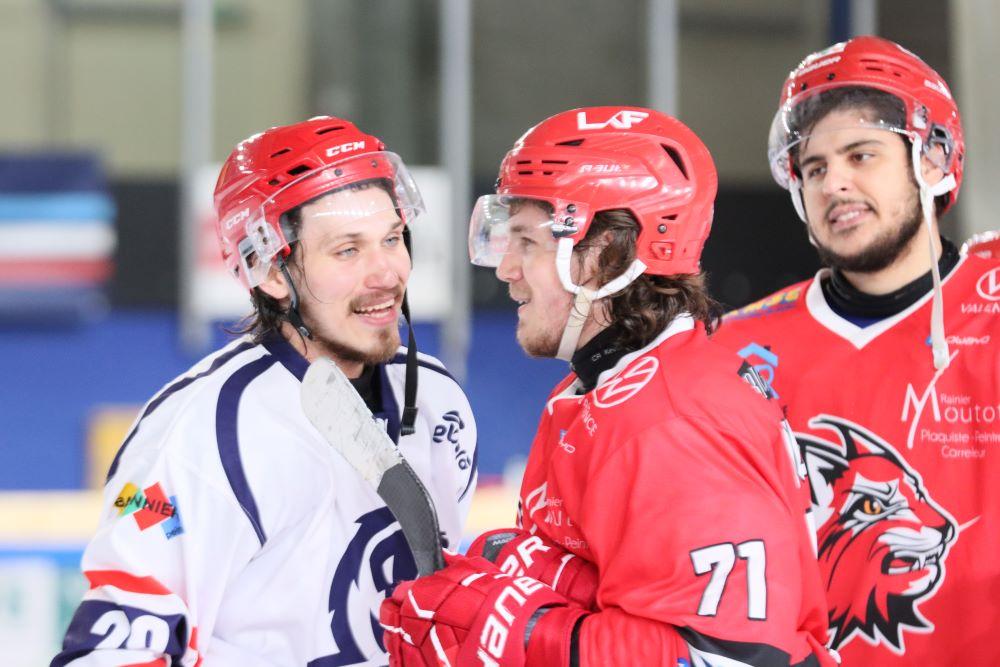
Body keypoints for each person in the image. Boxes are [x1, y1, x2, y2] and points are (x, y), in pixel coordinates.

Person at [379, 106, 834, 667]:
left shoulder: (673, 421)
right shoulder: (607, 388)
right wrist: (532, 571)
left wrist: (516, 630)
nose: (506, 269)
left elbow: (733, 657)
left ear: (606, 253)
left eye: (527, 242)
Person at [52, 116, 477, 665]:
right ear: (271, 272)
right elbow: (111, 652)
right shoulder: (201, 429)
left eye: (392, 239)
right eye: (347, 250)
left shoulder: (440, 401)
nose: (386, 273)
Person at [711, 36, 1000, 664]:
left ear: (933, 159)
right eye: (813, 168)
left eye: (860, 155)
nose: (833, 183)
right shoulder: (733, 353)